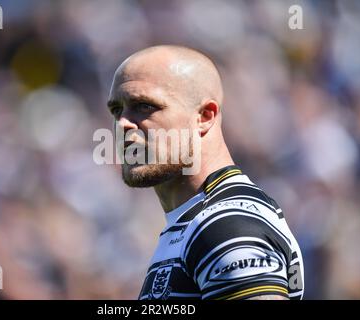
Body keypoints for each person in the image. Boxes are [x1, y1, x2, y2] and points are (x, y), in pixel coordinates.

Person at [106, 45, 304, 300]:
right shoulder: (195, 222)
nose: (123, 124)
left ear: (204, 116)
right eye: (116, 110)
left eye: (144, 106)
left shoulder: (225, 224)